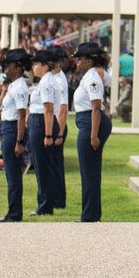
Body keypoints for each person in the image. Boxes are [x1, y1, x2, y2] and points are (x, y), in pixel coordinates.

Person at [72, 42, 113, 222]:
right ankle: (91, 214)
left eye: (80, 59)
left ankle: (89, 216)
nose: (77, 62)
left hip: (92, 124)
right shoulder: (88, 76)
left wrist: (94, 135)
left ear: (89, 61)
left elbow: (96, 108)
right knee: (90, 171)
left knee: (89, 172)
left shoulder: (93, 78)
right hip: (88, 123)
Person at [0, 49, 31, 222]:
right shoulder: (13, 85)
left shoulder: (20, 87)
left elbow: (21, 115)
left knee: (13, 173)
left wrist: (19, 141)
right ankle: (12, 211)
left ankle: (15, 213)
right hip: (7, 128)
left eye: (8, 66)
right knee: (10, 173)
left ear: (17, 68)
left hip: (13, 130)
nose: (6, 69)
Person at [27, 49, 57, 216]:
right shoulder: (45, 81)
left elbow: (48, 110)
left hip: (41, 123)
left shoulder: (46, 82)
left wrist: (48, 134)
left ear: (45, 66)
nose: (33, 67)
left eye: (36, 64)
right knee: (39, 165)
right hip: (38, 121)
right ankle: (44, 203)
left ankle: (45, 205)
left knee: (42, 165)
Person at [50, 46, 70, 209]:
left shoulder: (59, 80)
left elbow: (63, 109)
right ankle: (55, 198)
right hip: (55, 123)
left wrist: (59, 133)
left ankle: (58, 200)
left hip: (58, 125)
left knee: (55, 165)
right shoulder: (54, 78)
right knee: (53, 164)